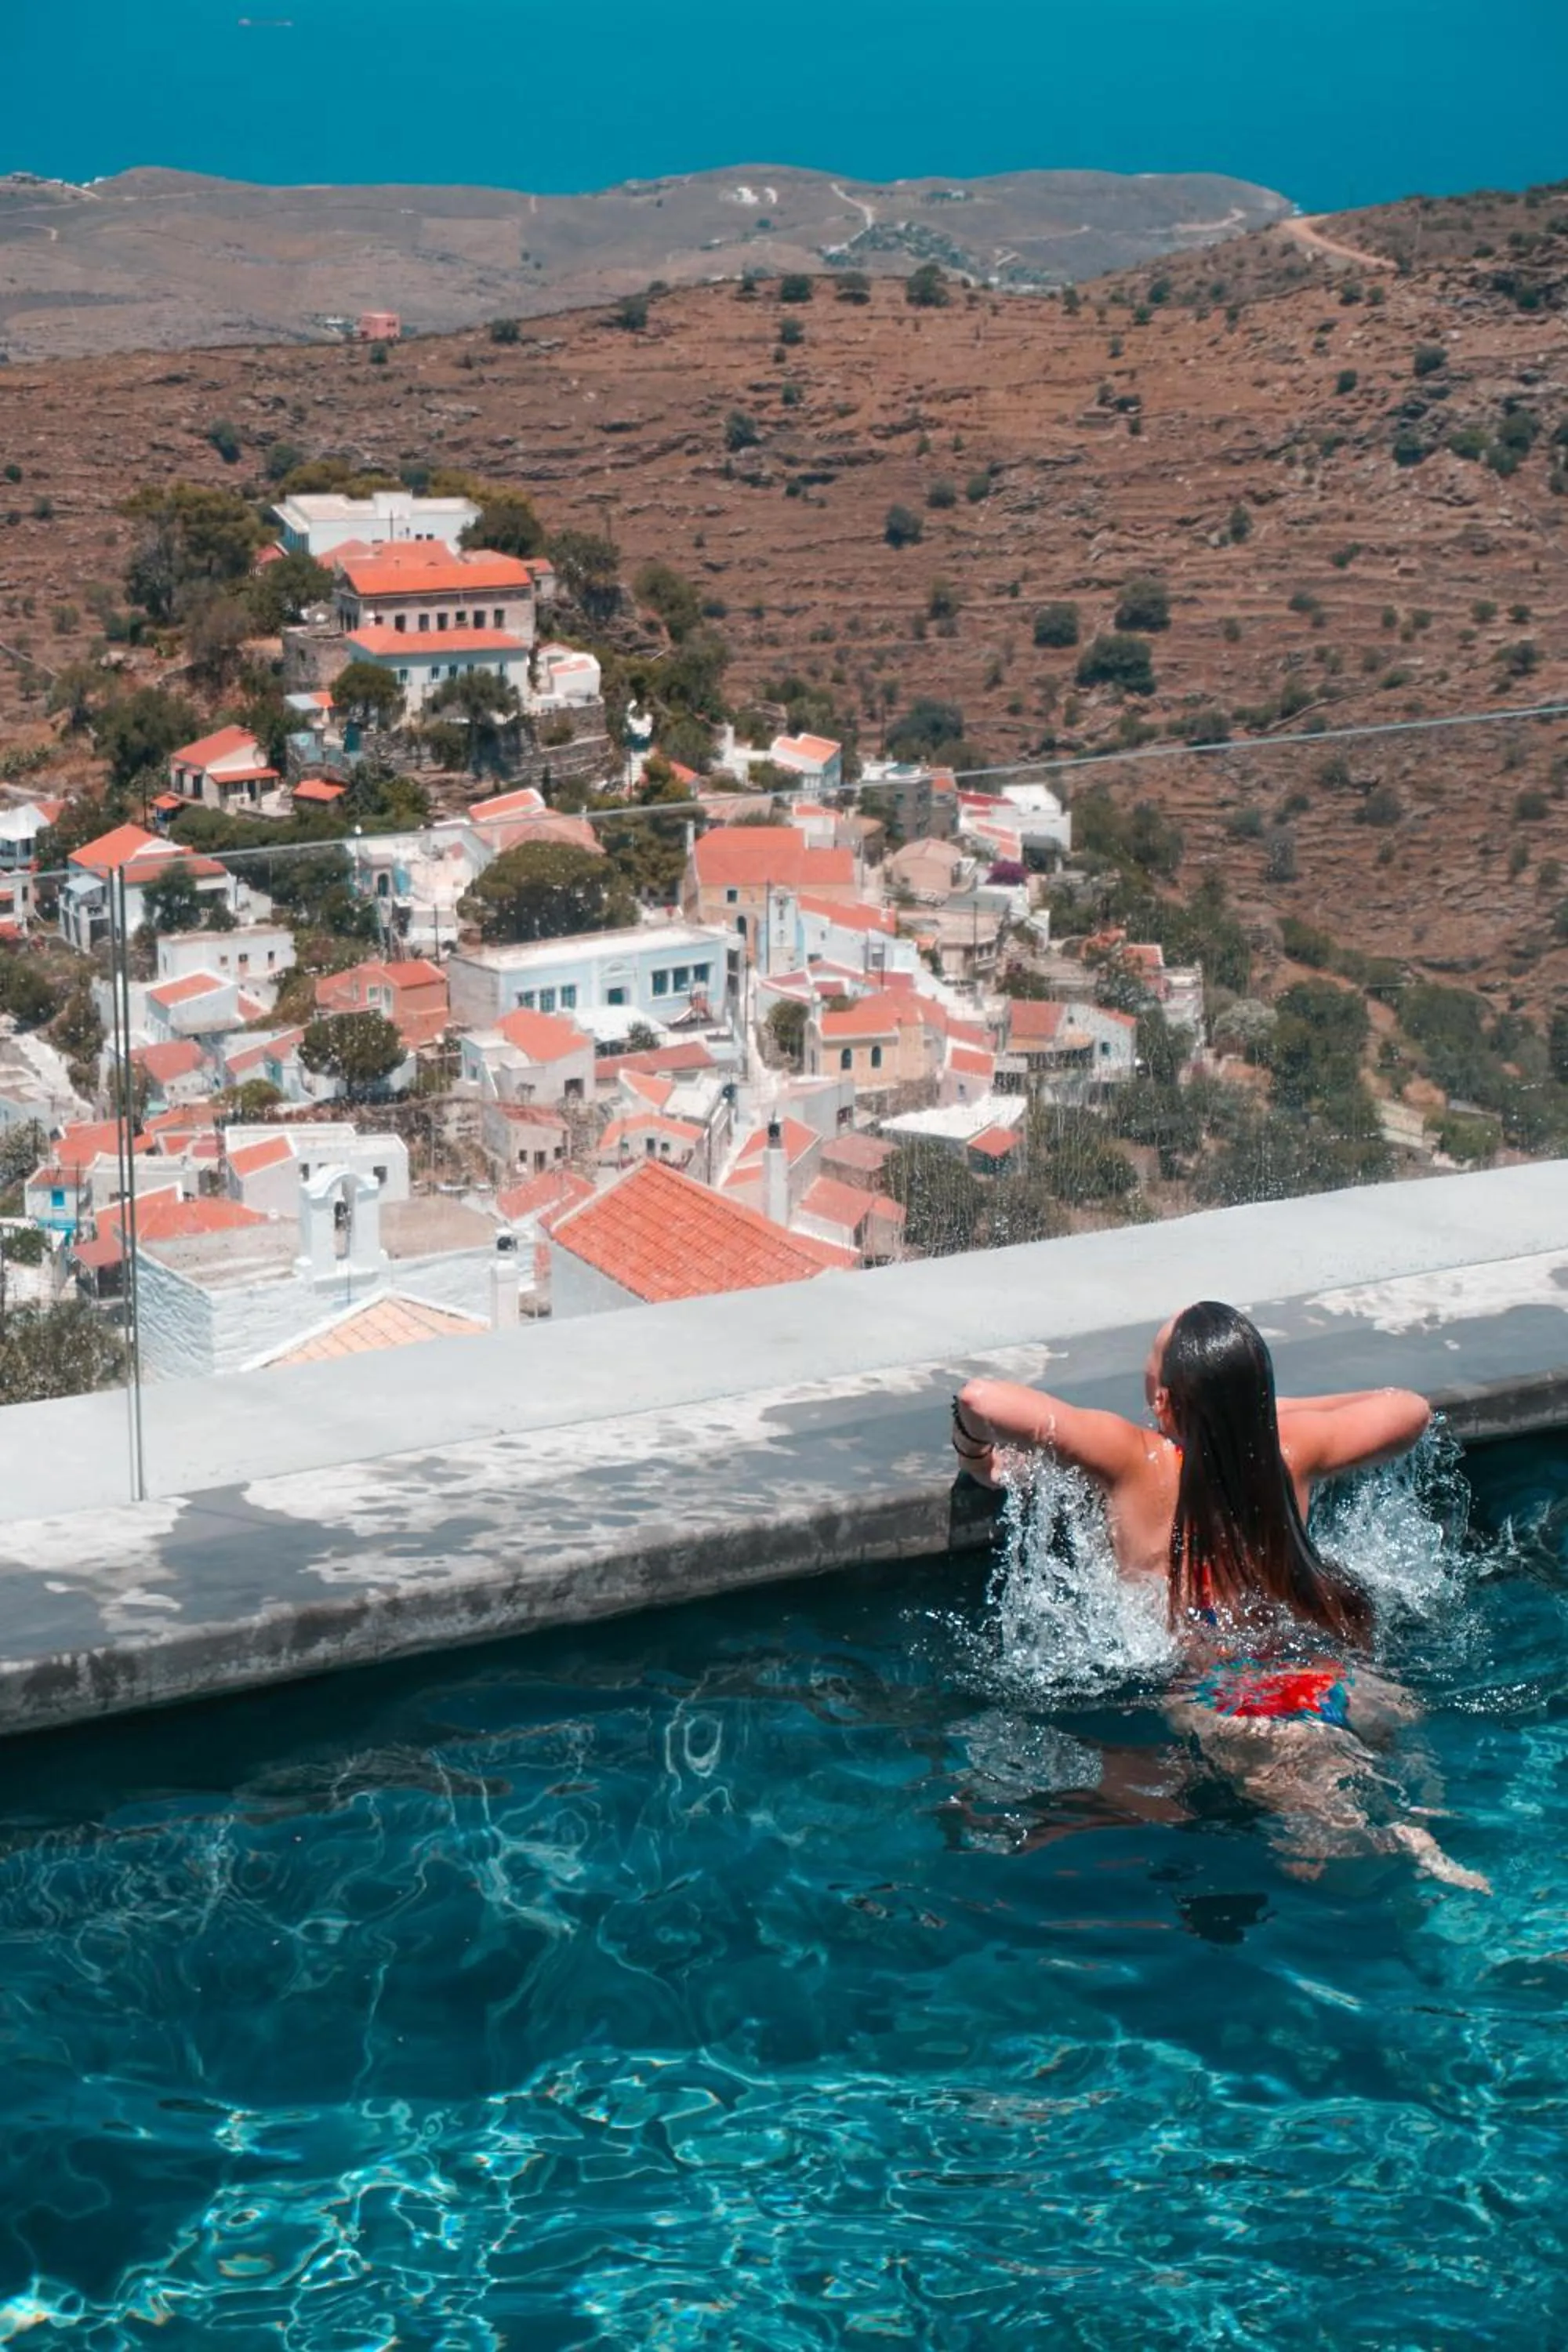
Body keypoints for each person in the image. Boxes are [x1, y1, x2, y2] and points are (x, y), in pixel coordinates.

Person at [951, 1301, 1487, 1888]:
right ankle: (1423, 1842)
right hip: (1338, 1675)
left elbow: (981, 1399)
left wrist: (973, 1453)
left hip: (1226, 1699)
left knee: (1316, 1854)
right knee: (1386, 1799)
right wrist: (1252, 1413)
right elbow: (1409, 1410)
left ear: (1163, 1403)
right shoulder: (1289, 1450)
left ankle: (1419, 1864)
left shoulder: (1132, 1457)